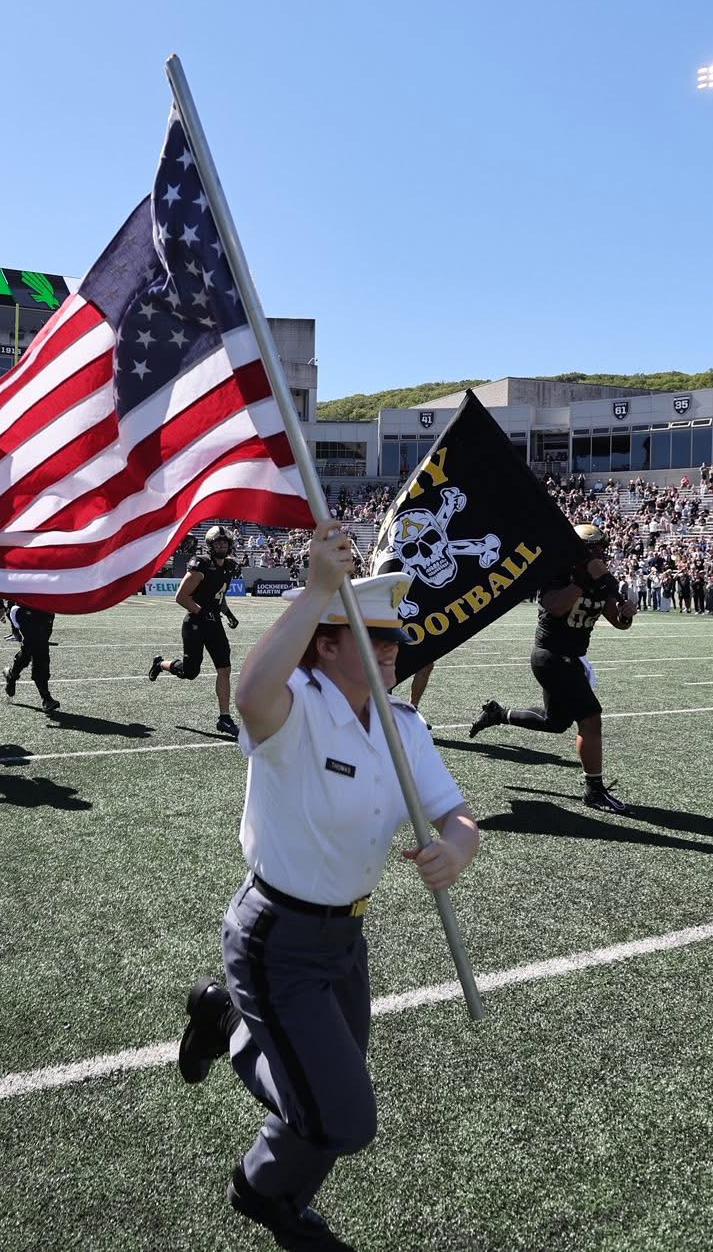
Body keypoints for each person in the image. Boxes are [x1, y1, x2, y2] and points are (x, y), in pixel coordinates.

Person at [175, 521, 478, 1249]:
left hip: (345, 936)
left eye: (396, 642)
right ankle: (236, 1070)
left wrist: (458, 847)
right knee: (342, 1116)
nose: (390, 653)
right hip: (276, 936)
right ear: (326, 645)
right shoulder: (296, 706)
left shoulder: (404, 725)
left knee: (322, 1093)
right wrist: (313, 591)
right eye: (371, 640)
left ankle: (278, 1197)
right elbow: (249, 695)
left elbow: (453, 813)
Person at [467, 523, 636, 813]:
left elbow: (618, 621)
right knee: (591, 718)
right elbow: (555, 606)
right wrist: (584, 580)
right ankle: (593, 791)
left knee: (555, 722)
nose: (601, 553)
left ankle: (498, 713)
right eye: (594, 548)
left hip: (572, 658)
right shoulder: (558, 572)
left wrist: (626, 614)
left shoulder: (605, 580)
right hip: (551, 656)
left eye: (602, 547)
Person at [150, 526, 244, 737]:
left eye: (225, 542)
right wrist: (202, 613)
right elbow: (181, 596)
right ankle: (160, 663)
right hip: (195, 623)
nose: (222, 545)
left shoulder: (229, 566)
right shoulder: (201, 565)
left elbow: (218, 596)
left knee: (225, 668)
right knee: (190, 672)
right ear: (210, 545)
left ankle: (224, 718)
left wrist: (228, 614)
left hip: (214, 624)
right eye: (218, 542)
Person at [3, 601, 59, 712]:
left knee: (29, 650)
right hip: (26, 610)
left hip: (46, 609)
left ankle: (12, 675)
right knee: (40, 651)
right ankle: (46, 698)